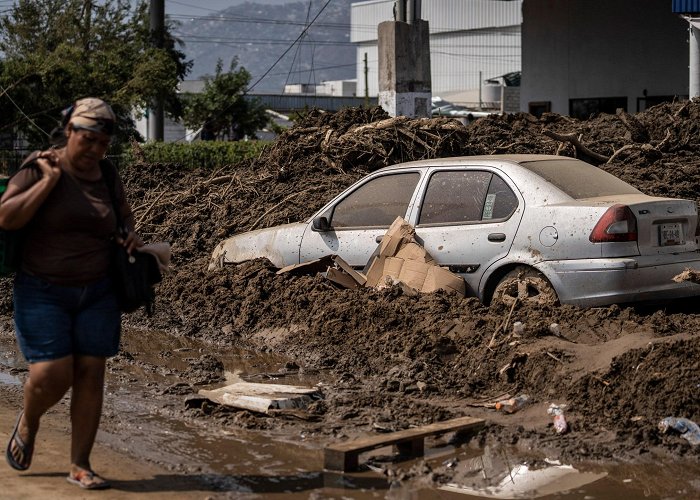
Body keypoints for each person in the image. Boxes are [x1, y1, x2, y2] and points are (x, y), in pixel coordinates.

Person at [0, 97, 142, 489]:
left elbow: (123, 214)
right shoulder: (41, 164)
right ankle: (29, 420)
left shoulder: (108, 174)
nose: (94, 149)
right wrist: (47, 183)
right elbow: (6, 216)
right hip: (42, 289)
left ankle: (80, 464)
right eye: (87, 139)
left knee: (91, 373)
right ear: (69, 132)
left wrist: (129, 234)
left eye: (102, 142)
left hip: (98, 291)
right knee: (50, 374)